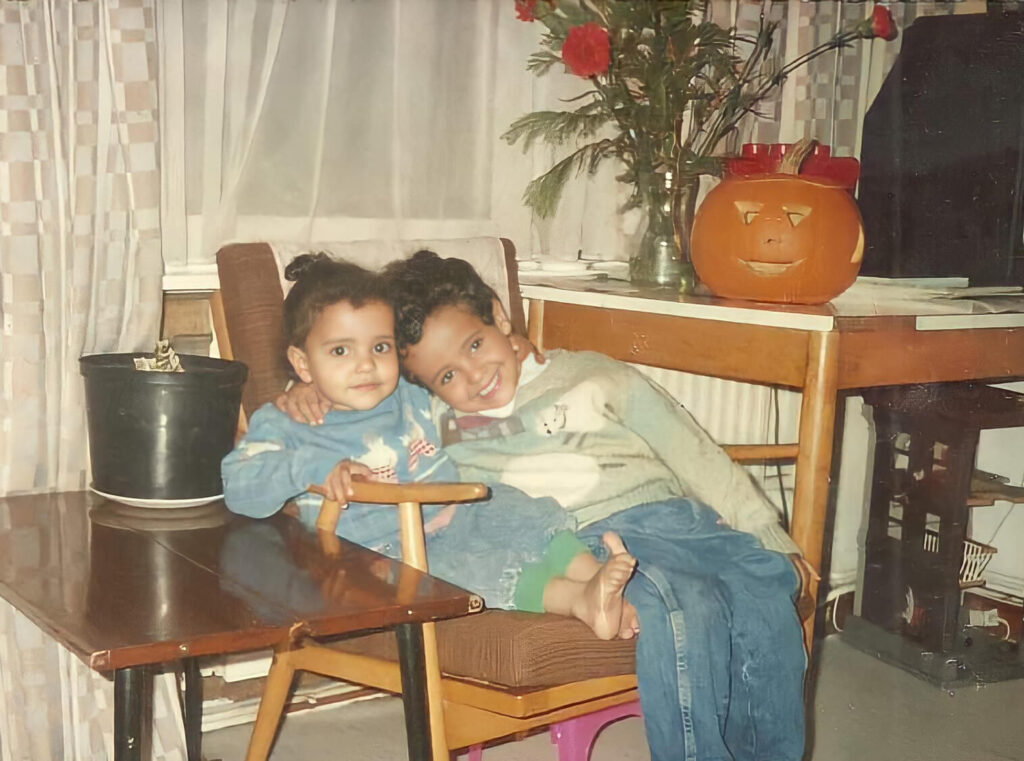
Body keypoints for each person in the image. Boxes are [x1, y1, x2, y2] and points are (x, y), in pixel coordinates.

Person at [383, 250, 807, 761]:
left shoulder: (595, 374)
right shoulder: (441, 424)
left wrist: (768, 534)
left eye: (475, 345)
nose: (472, 377)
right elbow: (357, 394)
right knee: (684, 606)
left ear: (499, 315)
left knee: (767, 582)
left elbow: (693, 452)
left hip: (678, 518)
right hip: (593, 542)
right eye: (446, 377)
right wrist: (307, 396)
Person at [221, 252, 639, 640]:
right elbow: (238, 485)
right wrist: (311, 466)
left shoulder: (406, 394)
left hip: (456, 516)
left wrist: (517, 352)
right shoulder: (290, 423)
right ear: (302, 363)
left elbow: (467, 385)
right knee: (467, 573)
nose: (366, 364)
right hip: (381, 561)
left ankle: (595, 578)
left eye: (380, 347)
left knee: (514, 507)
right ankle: (579, 601)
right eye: (341, 351)